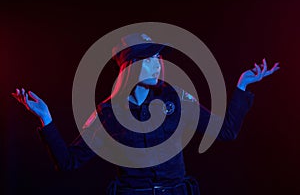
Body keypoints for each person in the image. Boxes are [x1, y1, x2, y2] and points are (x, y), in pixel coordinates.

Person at [12, 33, 280, 195]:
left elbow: (226, 131)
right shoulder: (108, 114)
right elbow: (69, 161)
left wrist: (242, 85)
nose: (156, 65)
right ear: (129, 67)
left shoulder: (176, 98)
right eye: (147, 59)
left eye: (157, 58)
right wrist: (45, 118)